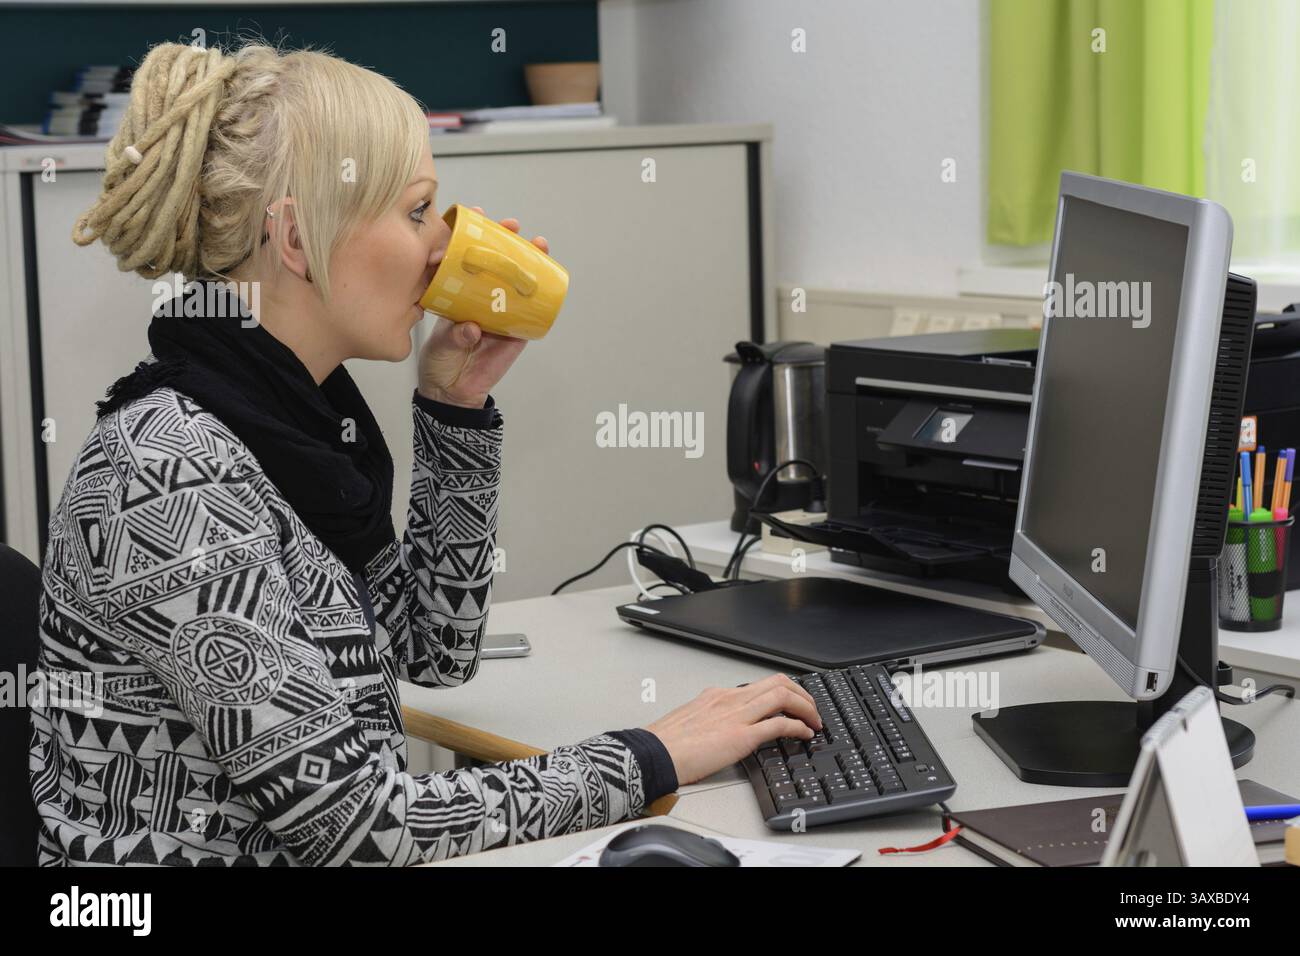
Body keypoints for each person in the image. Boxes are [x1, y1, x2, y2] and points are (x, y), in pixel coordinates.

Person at [28, 39, 820, 866]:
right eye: (416, 211)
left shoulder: (294, 422)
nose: (443, 246)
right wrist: (649, 755)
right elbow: (355, 827)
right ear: (297, 240)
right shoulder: (166, 471)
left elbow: (433, 651)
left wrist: (454, 403)